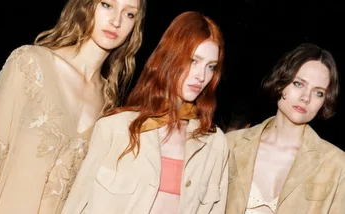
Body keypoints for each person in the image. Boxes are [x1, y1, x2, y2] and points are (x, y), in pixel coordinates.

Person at [0, 0, 146, 213]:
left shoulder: (108, 105)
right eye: (107, 5)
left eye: (129, 14)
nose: (116, 20)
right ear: (86, 5)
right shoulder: (30, 63)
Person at [62, 11, 228, 214]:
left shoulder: (215, 144)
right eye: (193, 61)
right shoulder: (115, 128)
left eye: (211, 67)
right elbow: (77, 205)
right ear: (170, 56)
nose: (202, 76)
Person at [226, 43, 345, 213]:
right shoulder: (231, 145)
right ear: (281, 82)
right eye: (298, 84)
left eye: (318, 92)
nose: (306, 97)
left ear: (325, 101)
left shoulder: (336, 165)